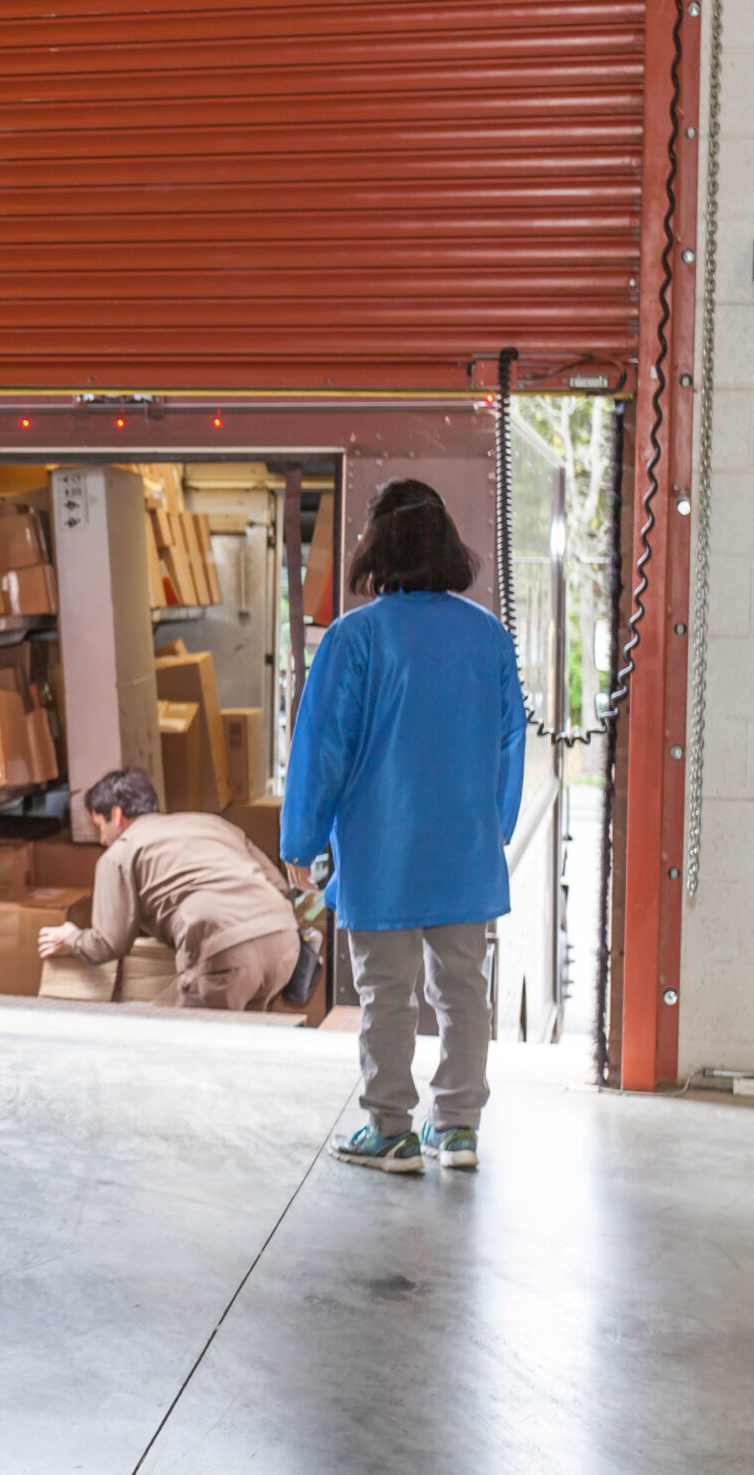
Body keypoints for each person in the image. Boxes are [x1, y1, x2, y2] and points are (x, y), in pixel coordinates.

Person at [281, 477, 525, 1175]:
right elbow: (511, 742)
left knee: (387, 993)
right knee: (463, 989)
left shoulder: (355, 638)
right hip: (465, 852)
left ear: (376, 547)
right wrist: (492, 828)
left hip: (382, 851)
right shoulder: (487, 636)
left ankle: (389, 1129)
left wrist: (301, 843)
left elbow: (321, 747)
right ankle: (457, 1127)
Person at [37, 767, 305, 1010]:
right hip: (283, 943)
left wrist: (70, 939)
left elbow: (110, 942)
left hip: (225, 953)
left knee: (192, 1056)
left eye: (99, 826)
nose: (101, 839)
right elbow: (279, 885)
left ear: (117, 815)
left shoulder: (119, 854)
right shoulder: (212, 823)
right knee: (248, 1046)